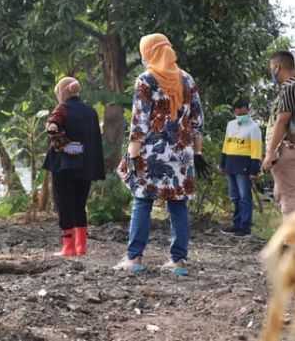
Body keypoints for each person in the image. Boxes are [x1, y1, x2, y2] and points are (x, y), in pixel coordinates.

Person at [114, 33, 209, 276]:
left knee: (142, 200)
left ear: (149, 52)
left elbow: (140, 122)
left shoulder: (146, 79)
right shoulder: (187, 80)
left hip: (151, 152)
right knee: (178, 204)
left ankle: (134, 258)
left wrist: (133, 157)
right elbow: (198, 121)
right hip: (182, 154)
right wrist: (197, 153)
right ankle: (179, 261)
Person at [42, 77, 105, 257]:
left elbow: (52, 127)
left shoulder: (62, 109)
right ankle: (81, 246)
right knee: (80, 205)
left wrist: (69, 147)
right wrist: (81, 151)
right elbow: (93, 141)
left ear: (62, 92)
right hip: (85, 167)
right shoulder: (90, 111)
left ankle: (68, 247)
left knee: (64, 204)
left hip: (64, 166)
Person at [219, 99, 262, 237]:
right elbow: (226, 145)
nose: (241, 116)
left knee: (245, 197)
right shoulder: (230, 125)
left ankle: (245, 227)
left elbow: (256, 151)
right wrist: (222, 164)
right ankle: (236, 225)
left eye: (244, 113)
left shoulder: (254, 128)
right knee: (234, 197)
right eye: (238, 113)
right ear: (234, 112)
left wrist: (254, 171)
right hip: (230, 165)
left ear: (248, 111)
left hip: (244, 167)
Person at [262, 50, 295, 215]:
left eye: (271, 68)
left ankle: (291, 240)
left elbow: (282, 120)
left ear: (277, 67)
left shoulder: (289, 88)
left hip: (289, 149)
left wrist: (270, 152)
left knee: (289, 197)